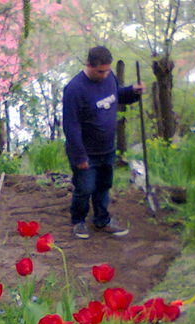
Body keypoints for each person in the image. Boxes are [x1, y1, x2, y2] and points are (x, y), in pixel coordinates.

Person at [63, 46, 145, 239]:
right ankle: (78, 221)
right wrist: (79, 156)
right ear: (89, 65)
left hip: (107, 148)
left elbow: (116, 96)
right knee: (85, 188)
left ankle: (102, 220)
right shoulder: (75, 89)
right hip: (86, 151)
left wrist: (133, 92)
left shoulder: (109, 78)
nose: (105, 74)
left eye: (107, 70)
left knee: (103, 186)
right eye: (100, 71)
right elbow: (70, 126)